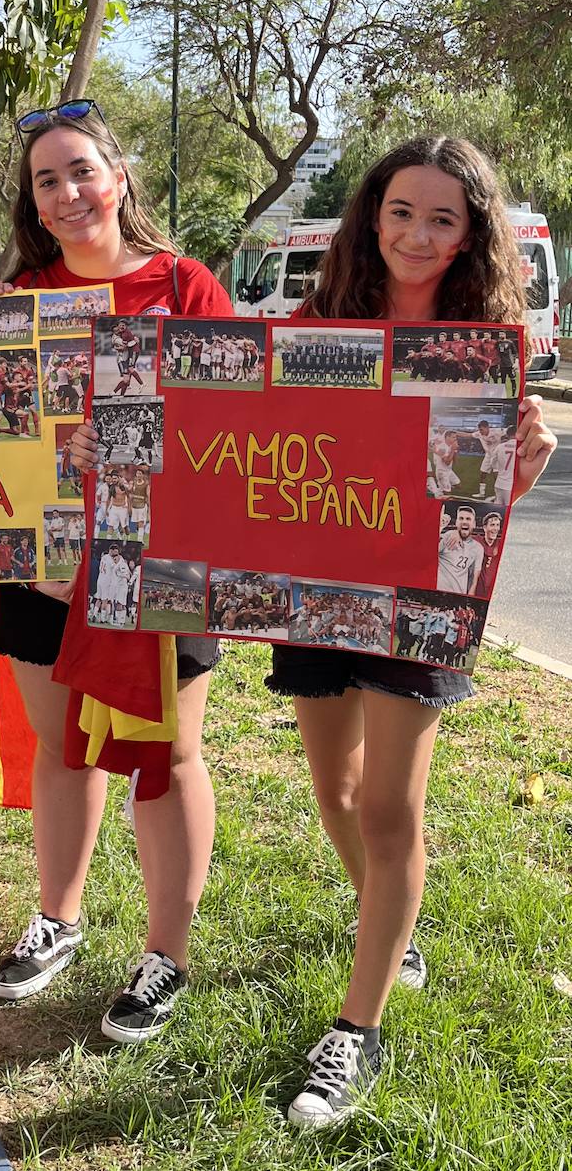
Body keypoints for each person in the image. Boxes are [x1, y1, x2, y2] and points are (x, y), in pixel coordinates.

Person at [259, 137, 555, 1129]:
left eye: (441, 218)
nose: (417, 234)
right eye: (400, 212)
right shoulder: (316, 325)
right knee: (337, 794)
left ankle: (358, 1029)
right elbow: (253, 443)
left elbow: (475, 501)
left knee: (388, 807)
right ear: (369, 218)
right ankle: (393, 930)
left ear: (468, 234)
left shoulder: (483, 346)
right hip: (315, 586)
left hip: (421, 597)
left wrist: (518, 470)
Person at [0, 97, 233, 1044]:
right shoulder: (14, 300)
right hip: (42, 567)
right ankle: (59, 917)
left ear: (119, 178)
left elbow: (234, 423)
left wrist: (125, 438)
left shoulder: (186, 284)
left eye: (81, 170)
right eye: (46, 180)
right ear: (33, 203)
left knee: (170, 755)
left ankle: (166, 956)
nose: (67, 192)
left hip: (164, 565)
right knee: (62, 748)